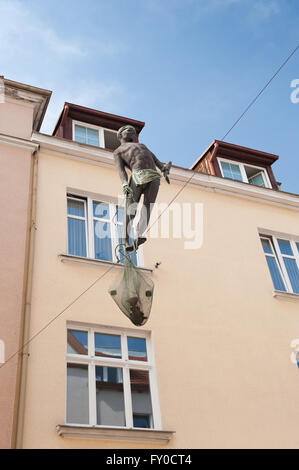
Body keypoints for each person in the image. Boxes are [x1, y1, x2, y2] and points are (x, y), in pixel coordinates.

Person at [113, 125, 171, 251]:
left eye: (133, 131)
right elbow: (121, 170)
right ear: (120, 134)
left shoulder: (143, 146)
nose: (131, 131)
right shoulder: (118, 151)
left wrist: (163, 169)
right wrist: (124, 183)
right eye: (128, 129)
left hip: (153, 176)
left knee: (147, 206)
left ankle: (139, 234)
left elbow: (155, 160)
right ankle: (125, 240)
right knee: (131, 209)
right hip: (137, 176)